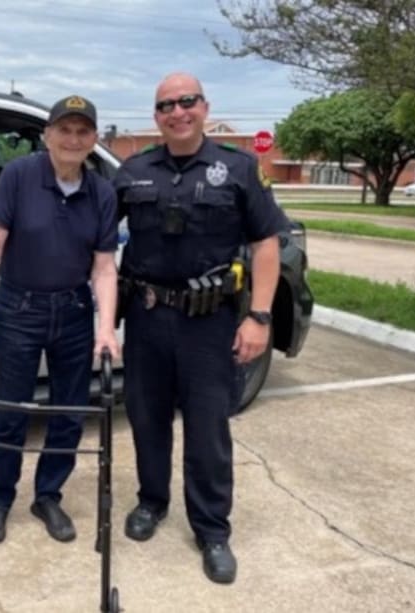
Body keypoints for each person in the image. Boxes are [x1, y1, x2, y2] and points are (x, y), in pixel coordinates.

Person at [114, 73, 288, 584]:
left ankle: (212, 528)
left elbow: (266, 246)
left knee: (208, 428)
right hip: (146, 316)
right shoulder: (132, 171)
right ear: (156, 117)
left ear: (204, 107)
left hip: (209, 323)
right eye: (166, 104)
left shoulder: (237, 169)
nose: (177, 111)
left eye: (186, 101)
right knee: (146, 418)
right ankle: (152, 502)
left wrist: (259, 317)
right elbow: (98, 238)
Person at [0, 95, 121, 544]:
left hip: (72, 312)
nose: (72, 139)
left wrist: (106, 328)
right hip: (19, 309)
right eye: (63, 130)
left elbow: (104, 268)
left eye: (82, 131)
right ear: (47, 135)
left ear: (93, 140)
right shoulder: (18, 176)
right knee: (12, 409)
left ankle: (48, 494)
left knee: (69, 412)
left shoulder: (102, 193)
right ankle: (0, 498)